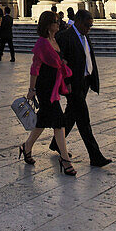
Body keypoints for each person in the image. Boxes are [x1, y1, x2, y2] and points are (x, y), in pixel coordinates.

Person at [19, 11, 75, 176]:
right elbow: (35, 68)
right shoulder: (42, 43)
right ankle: (64, 159)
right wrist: (31, 89)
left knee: (43, 120)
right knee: (59, 121)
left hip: (54, 86)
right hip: (44, 88)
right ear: (48, 25)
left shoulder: (54, 41)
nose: (59, 24)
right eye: (56, 21)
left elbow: (58, 62)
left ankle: (27, 147)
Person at [52, 10, 111, 167]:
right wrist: (67, 81)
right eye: (87, 25)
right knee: (84, 120)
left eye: (91, 25)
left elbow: (88, 57)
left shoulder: (85, 35)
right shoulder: (65, 37)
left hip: (84, 81)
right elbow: (60, 62)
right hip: (73, 84)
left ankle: (55, 143)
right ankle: (95, 156)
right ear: (77, 21)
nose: (89, 28)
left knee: (71, 114)